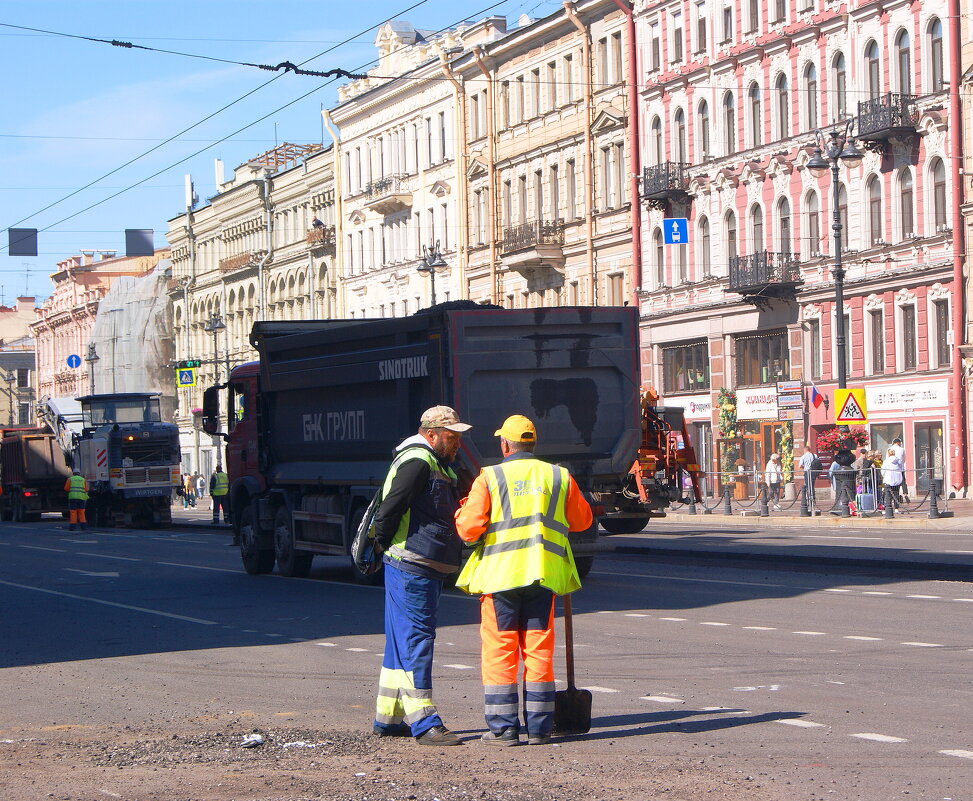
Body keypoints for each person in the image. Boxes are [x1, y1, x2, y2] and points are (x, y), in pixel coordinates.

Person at [455, 414, 593, 747]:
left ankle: (503, 730)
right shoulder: (559, 476)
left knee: (501, 652)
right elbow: (582, 521)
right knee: (539, 651)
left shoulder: (490, 477)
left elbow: (467, 529)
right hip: (542, 577)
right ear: (532, 443)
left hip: (500, 579)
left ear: (505, 444)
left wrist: (462, 511)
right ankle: (541, 728)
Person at [371, 406, 472, 747]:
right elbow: (390, 508)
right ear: (431, 434)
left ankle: (388, 718)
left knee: (401, 642)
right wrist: (382, 545)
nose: (456, 442)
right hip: (411, 563)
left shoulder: (436, 460)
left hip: (418, 563)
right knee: (417, 640)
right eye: (451, 435)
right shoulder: (418, 461)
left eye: (458, 435)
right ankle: (425, 722)